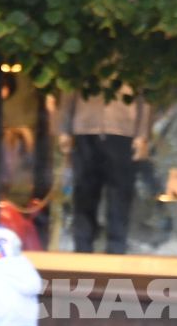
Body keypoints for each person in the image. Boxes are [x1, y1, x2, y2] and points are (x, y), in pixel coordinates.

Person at [54, 88, 153, 254]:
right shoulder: (85, 63)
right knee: (84, 194)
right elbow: (69, 92)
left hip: (122, 130)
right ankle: (82, 249)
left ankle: (116, 250)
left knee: (120, 196)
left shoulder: (133, 65)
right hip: (85, 130)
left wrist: (142, 135)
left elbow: (145, 97)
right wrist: (64, 130)